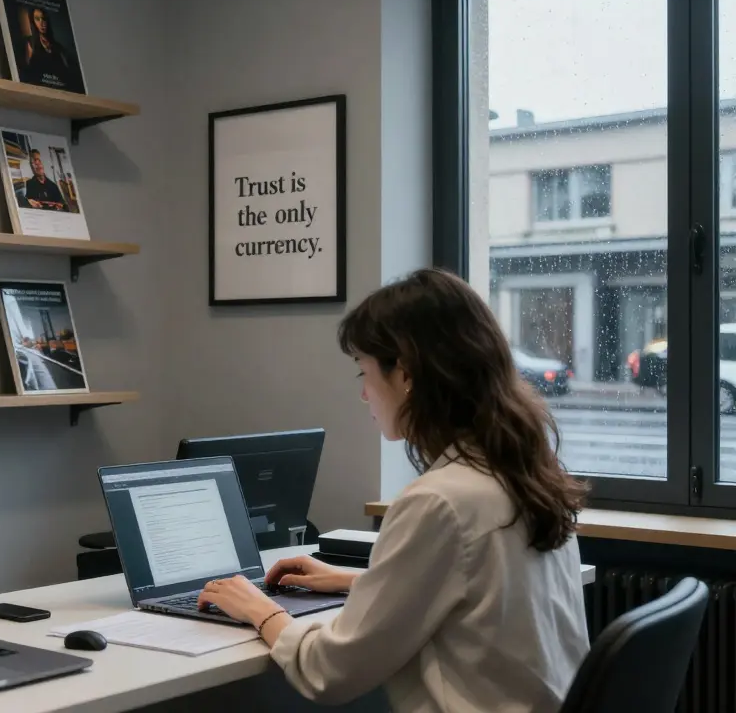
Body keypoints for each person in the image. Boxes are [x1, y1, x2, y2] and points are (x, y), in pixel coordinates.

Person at [197, 268, 591, 712]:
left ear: (404, 374)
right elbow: (484, 591)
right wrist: (358, 581)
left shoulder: (440, 501)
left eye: (364, 372)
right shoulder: (523, 471)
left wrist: (258, 608)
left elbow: (328, 670)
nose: (365, 394)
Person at [19, 6, 82, 93]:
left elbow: (67, 74)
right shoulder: (30, 43)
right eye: (37, 19)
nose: (41, 23)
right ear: (33, 21)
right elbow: (26, 72)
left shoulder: (57, 47)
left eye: (43, 19)